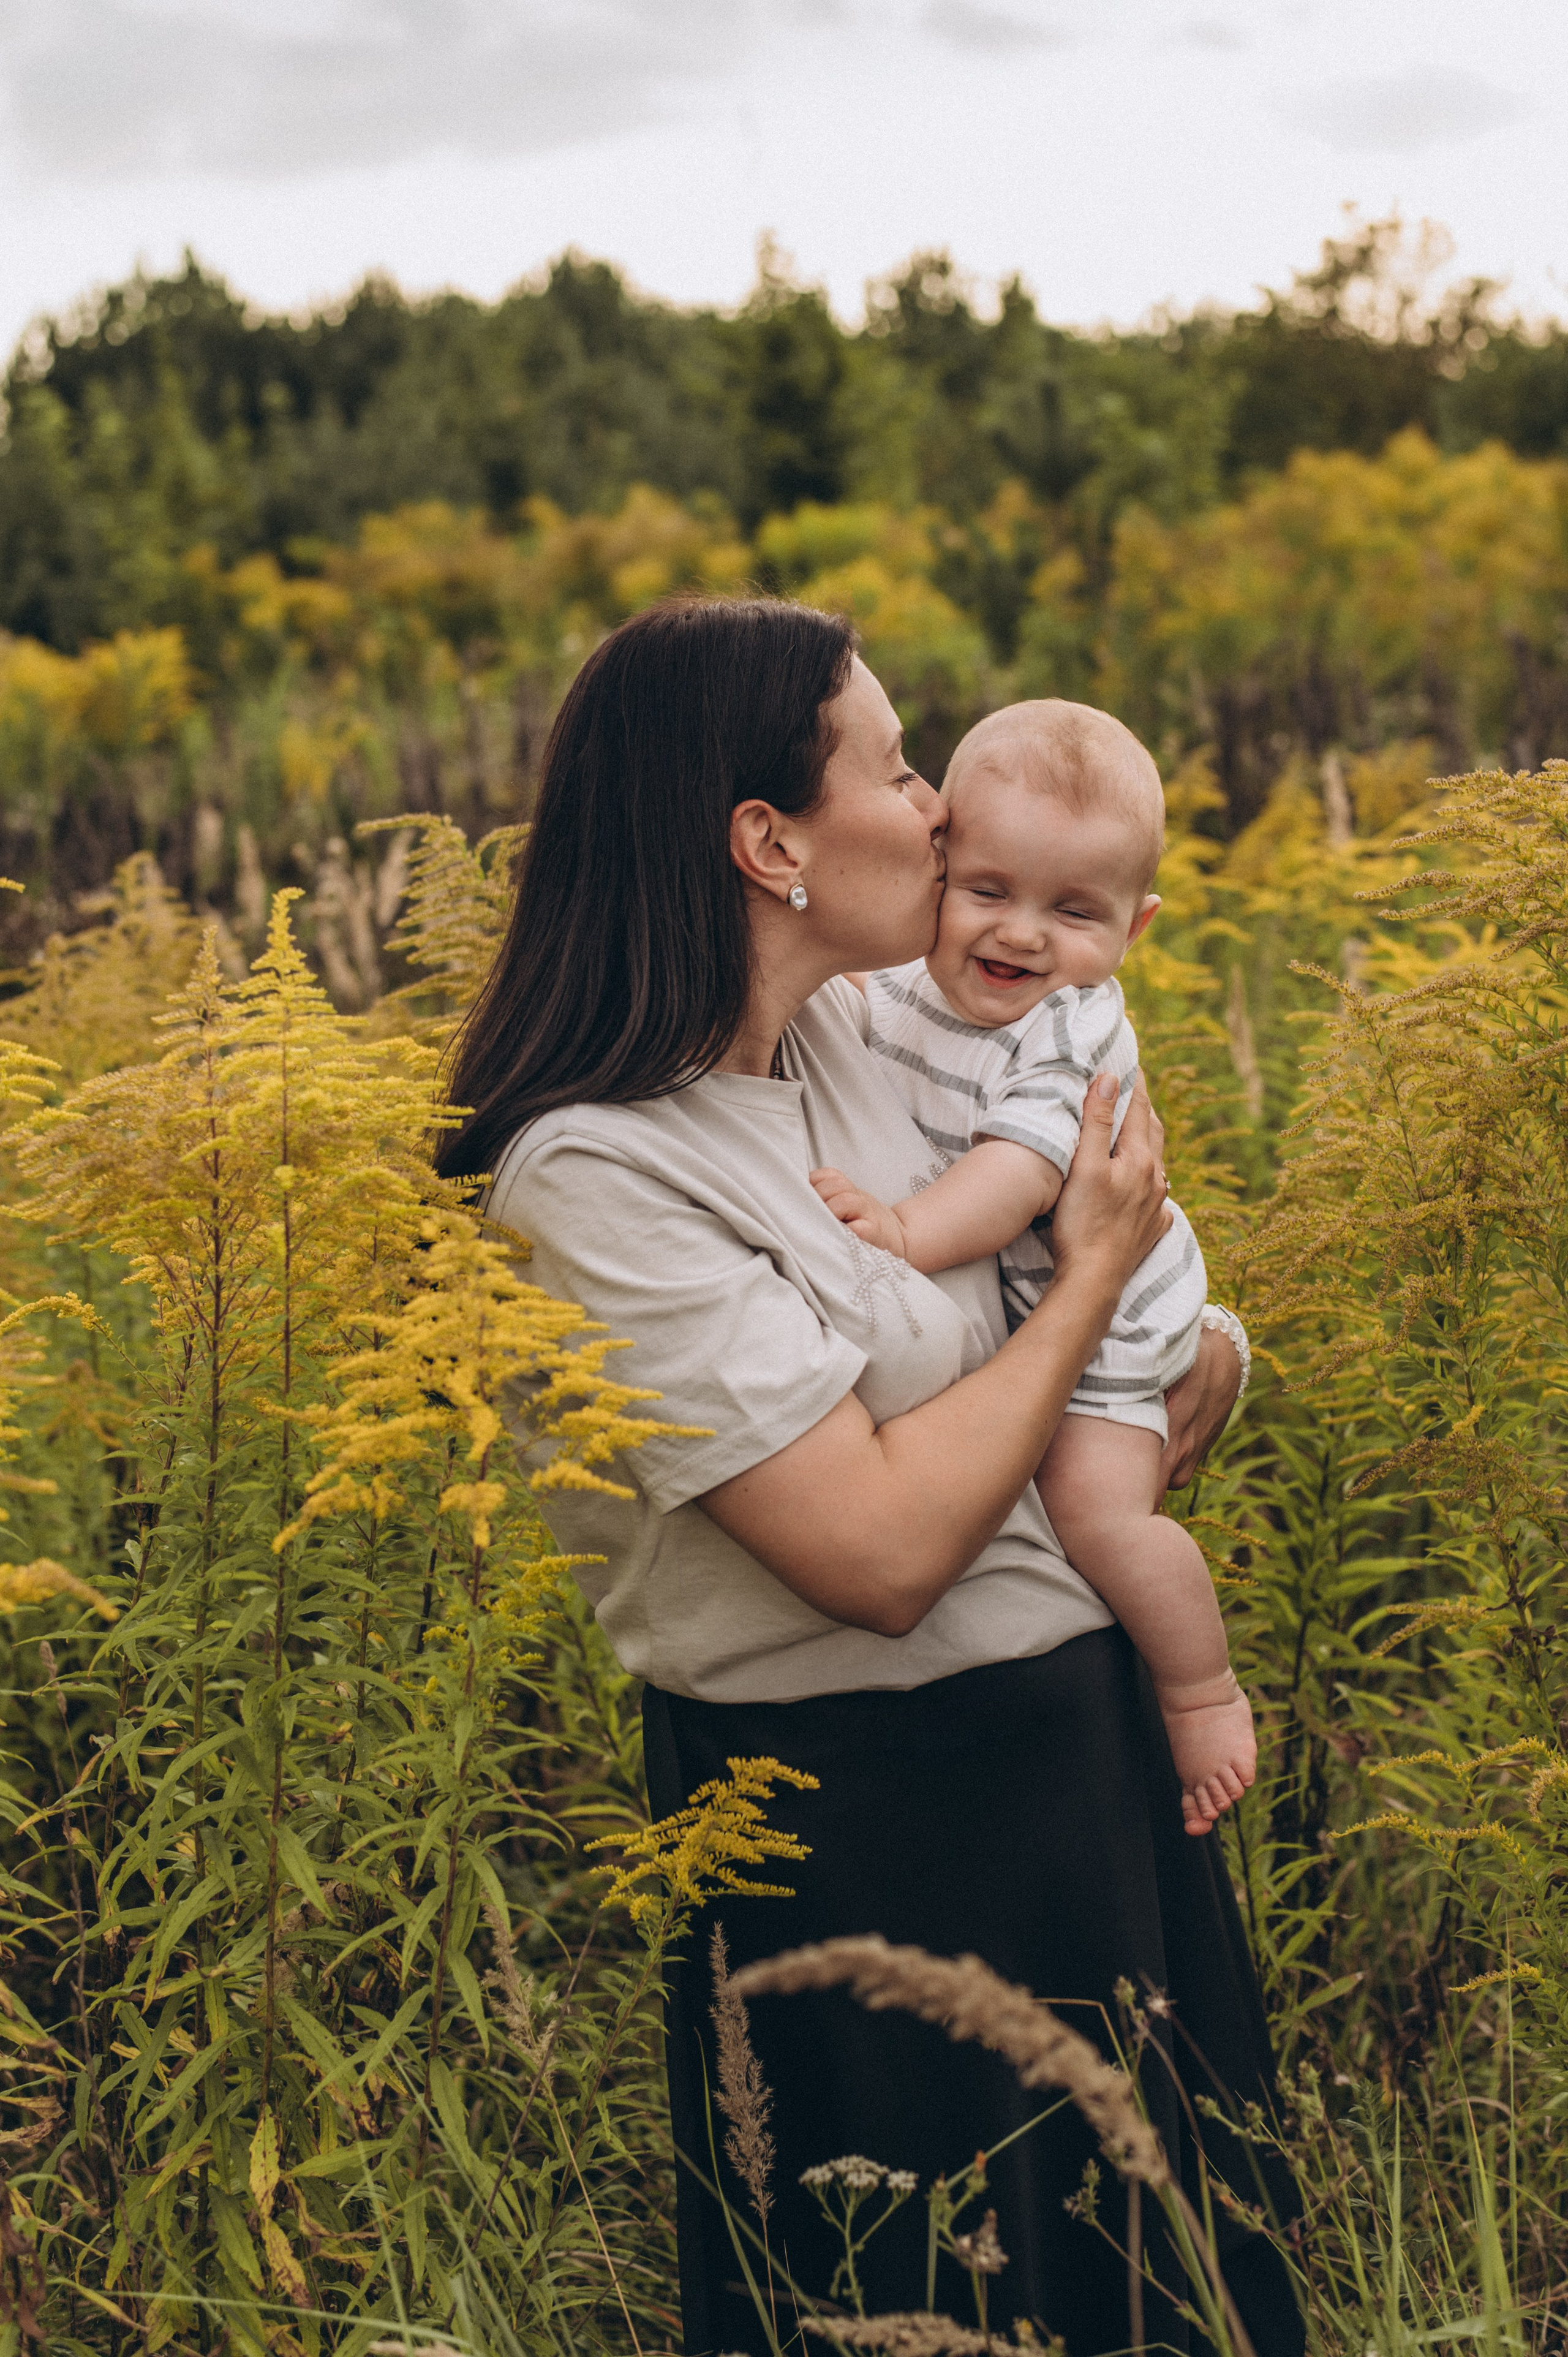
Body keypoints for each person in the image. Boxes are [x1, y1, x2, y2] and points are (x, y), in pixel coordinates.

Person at [437, 599, 1302, 2357]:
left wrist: (1193, 1348)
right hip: (860, 1832)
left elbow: (1143, 1279)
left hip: (1077, 1770)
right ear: (769, 843)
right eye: (900, 764)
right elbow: (888, 1550)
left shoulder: (865, 1036)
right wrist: (1079, 1305)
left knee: (1168, 2303)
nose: (937, 811)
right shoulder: (594, 1175)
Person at [808, 699, 1256, 1837]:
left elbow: (1019, 1173)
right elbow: (849, 1013)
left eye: (1074, 911)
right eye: (991, 892)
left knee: (1100, 1520)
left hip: (1114, 1319)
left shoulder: (1071, 1031)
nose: (1020, 936)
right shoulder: (897, 980)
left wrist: (905, 1235)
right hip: (1040, 1301)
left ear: (1134, 929)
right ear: (941, 865)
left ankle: (1202, 1693)